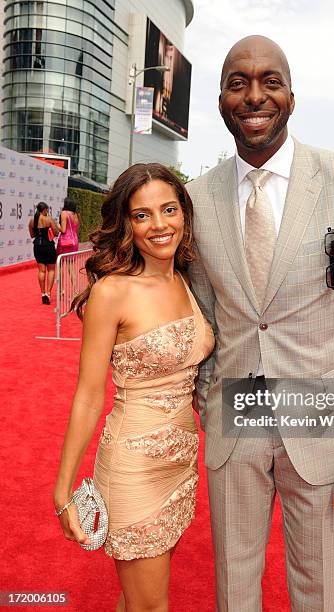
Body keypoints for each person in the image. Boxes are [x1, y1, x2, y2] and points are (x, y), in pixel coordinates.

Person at [187, 36, 334, 611]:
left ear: (291, 95)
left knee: (318, 596)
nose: (254, 96)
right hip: (235, 426)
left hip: (325, 429)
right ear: (220, 99)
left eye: (270, 81)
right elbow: (205, 317)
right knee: (234, 592)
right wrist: (210, 399)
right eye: (238, 82)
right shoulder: (196, 199)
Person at [53, 163, 214, 612]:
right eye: (142, 215)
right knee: (151, 605)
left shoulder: (184, 278)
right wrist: (63, 488)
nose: (159, 225)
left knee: (136, 598)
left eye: (168, 209)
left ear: (184, 213)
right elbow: (88, 394)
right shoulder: (113, 292)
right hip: (134, 467)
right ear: (126, 223)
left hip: (182, 464)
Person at [28, 201, 61, 304]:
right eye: (47, 210)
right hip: (48, 246)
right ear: (44, 210)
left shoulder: (32, 221)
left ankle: (42, 293)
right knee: (51, 270)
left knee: (41, 271)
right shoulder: (49, 219)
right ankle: (48, 293)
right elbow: (56, 233)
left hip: (37, 246)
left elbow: (32, 235)